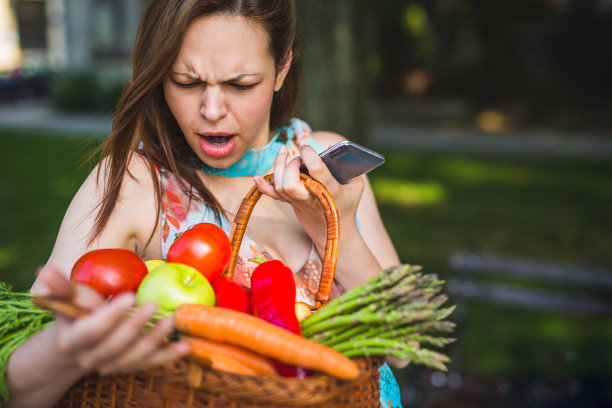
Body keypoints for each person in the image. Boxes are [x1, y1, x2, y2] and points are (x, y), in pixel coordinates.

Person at [4, 1, 403, 407]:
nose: (211, 111)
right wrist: (66, 348)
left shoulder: (325, 161)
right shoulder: (137, 182)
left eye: (240, 84)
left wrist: (335, 229)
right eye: (186, 82)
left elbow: (405, 347)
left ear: (282, 67)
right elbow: (18, 387)